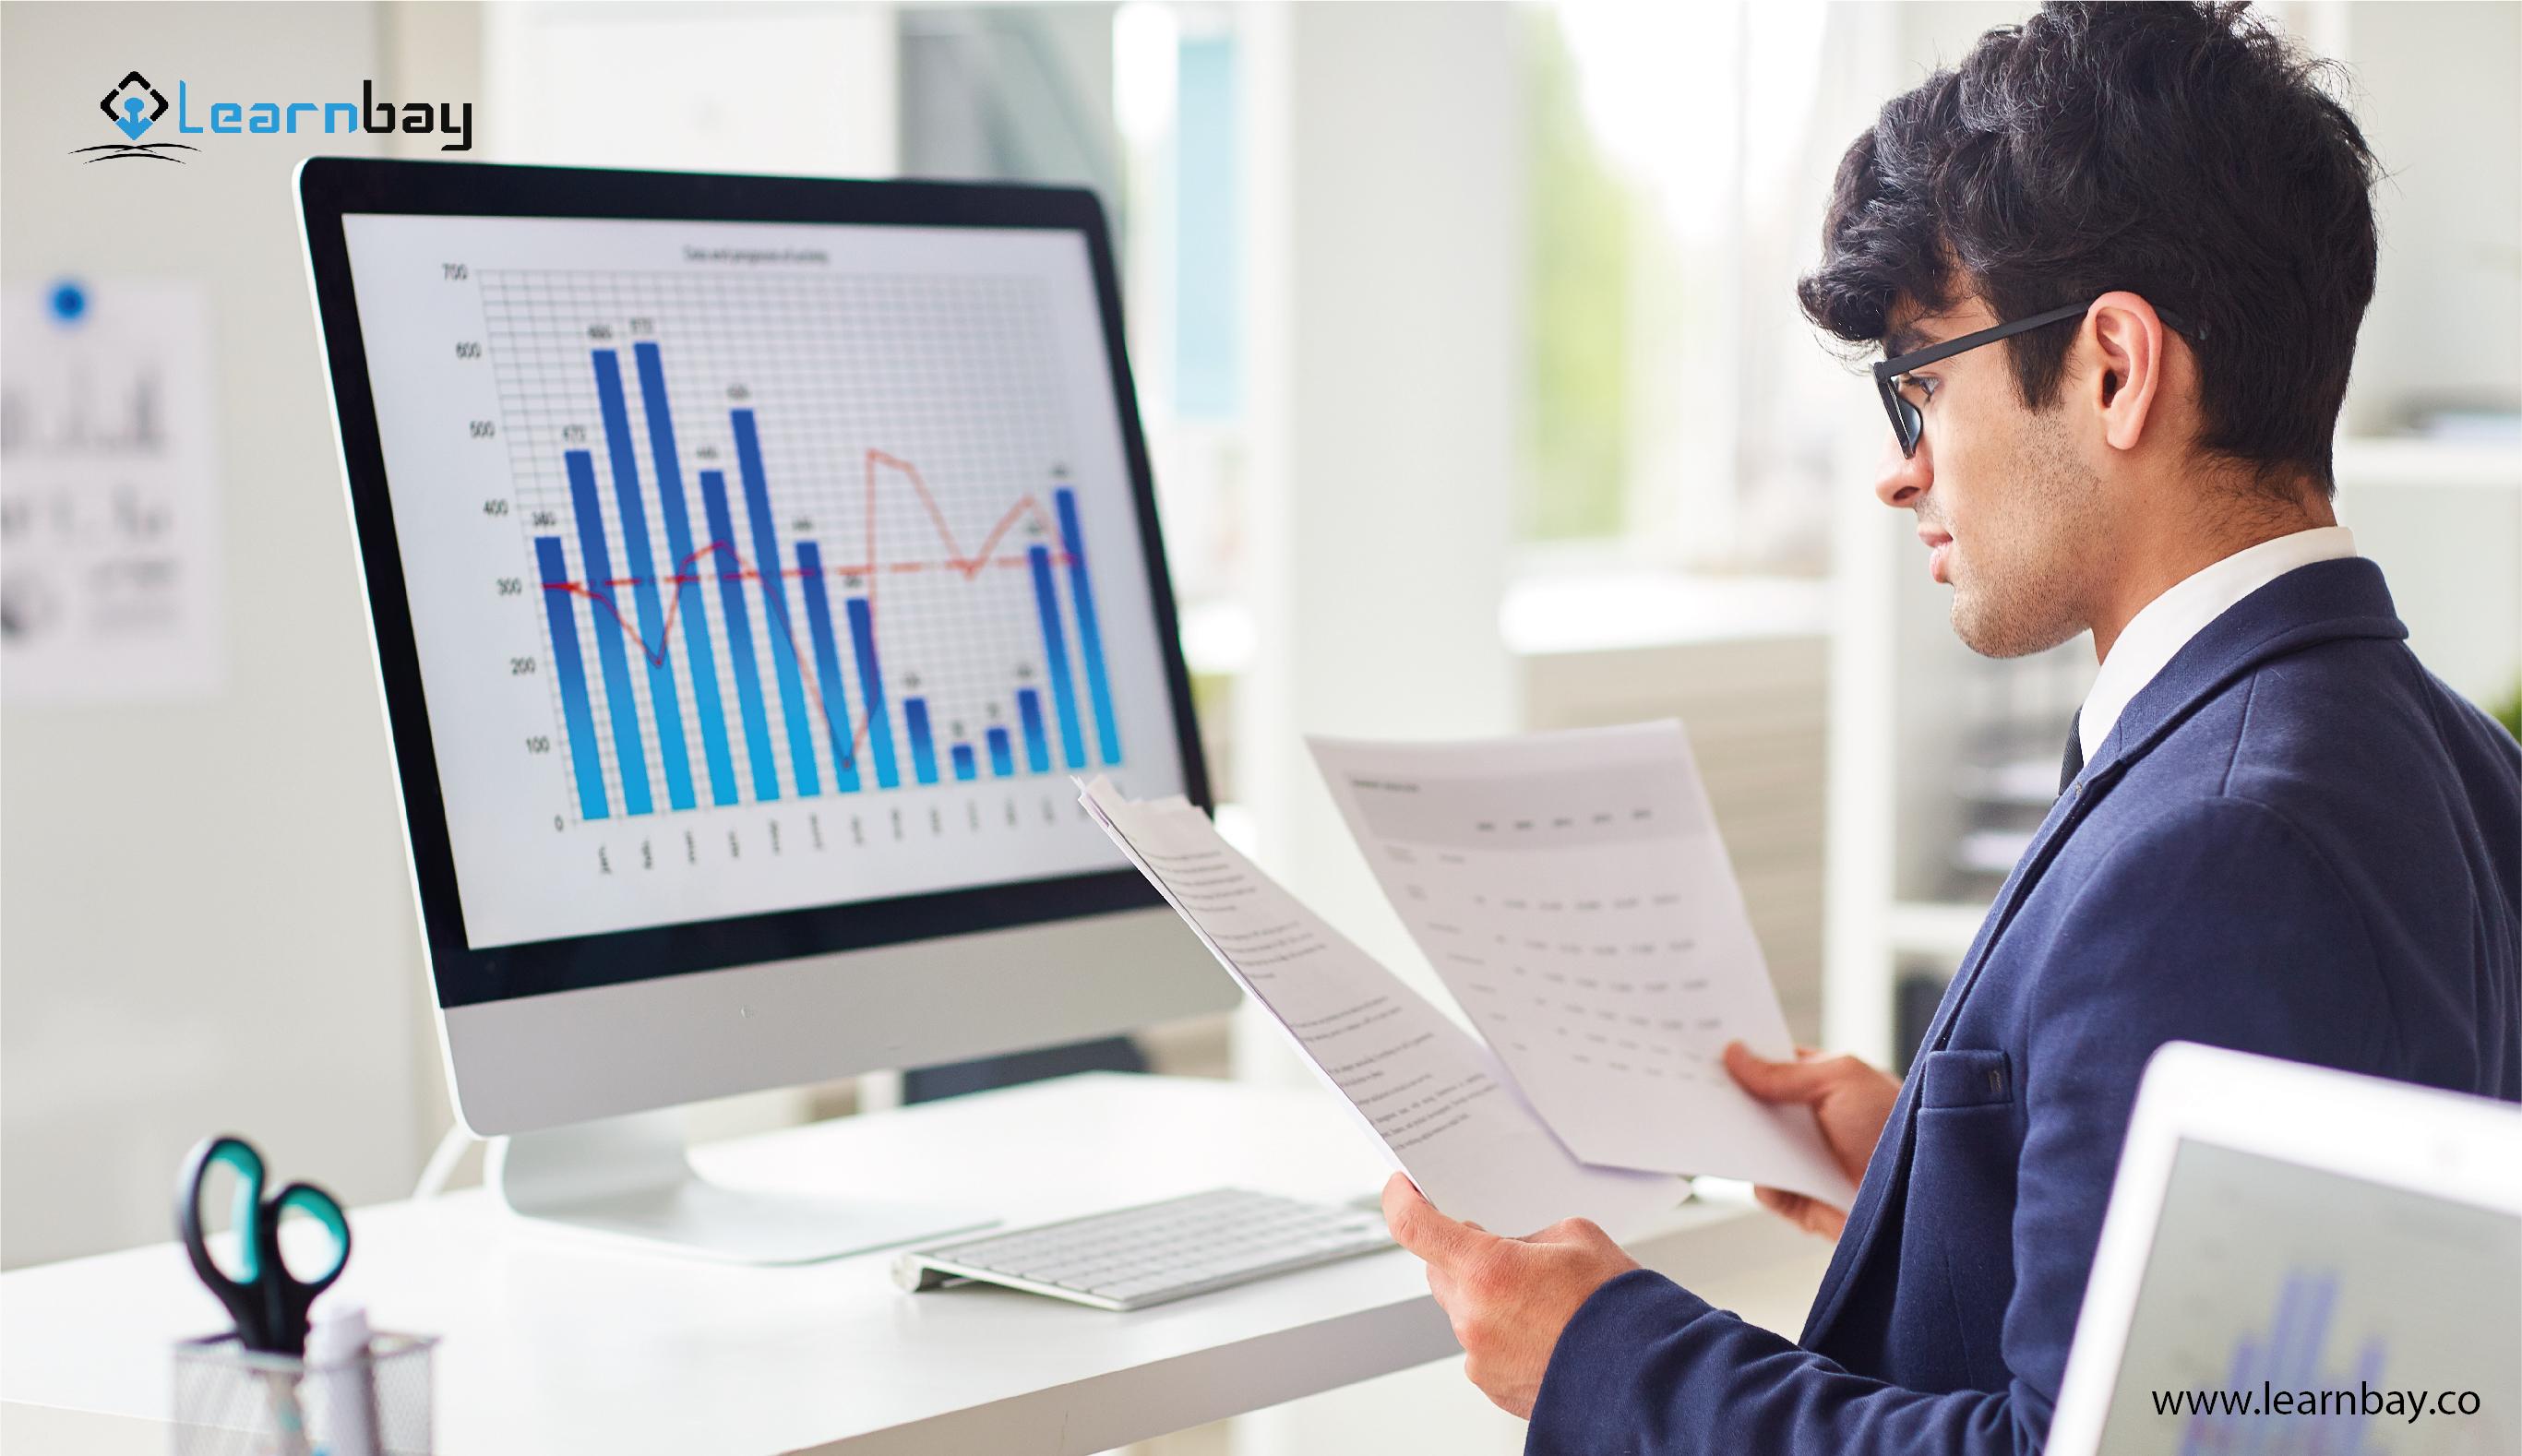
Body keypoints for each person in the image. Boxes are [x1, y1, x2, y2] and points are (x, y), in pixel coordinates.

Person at [1380, 5, 2522, 1451]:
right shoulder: (2444, 755)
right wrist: (1940, 1179)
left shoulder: (2219, 843)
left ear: (2114, 368)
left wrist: (1603, 1359)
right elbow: (2282, 1346)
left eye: (1919, 387)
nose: (1895, 472)